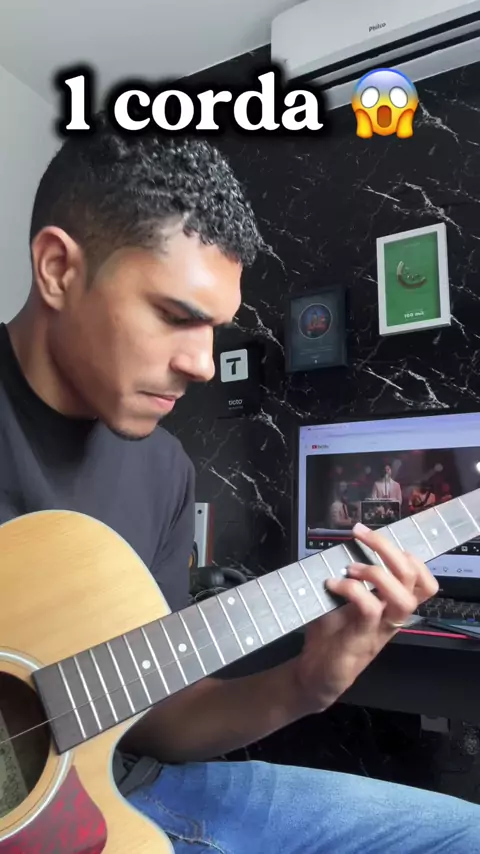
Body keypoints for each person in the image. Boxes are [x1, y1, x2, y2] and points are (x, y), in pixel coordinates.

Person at [0, 113, 478, 853]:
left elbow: (155, 720)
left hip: (132, 787)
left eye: (214, 329)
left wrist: (306, 684)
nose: (201, 364)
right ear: (59, 269)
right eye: (175, 316)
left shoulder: (164, 469)